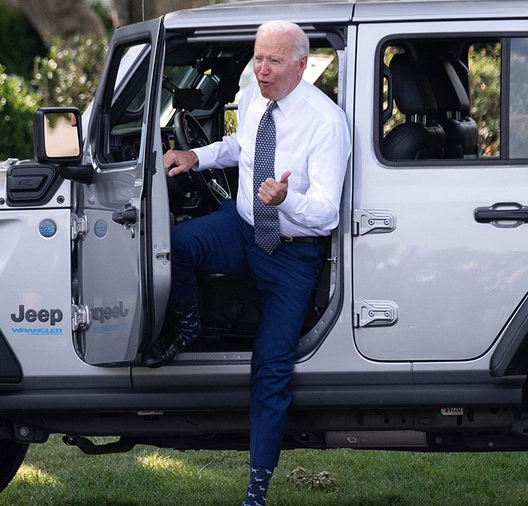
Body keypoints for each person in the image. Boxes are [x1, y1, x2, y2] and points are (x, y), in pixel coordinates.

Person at [144, 20, 350, 506]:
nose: (262, 69)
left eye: (274, 61)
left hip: (292, 253)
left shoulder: (326, 122)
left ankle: (256, 490)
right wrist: (197, 155)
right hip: (242, 228)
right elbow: (242, 147)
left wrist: (283, 200)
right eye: (258, 58)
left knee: (271, 366)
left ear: (302, 65)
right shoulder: (257, 96)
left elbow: (325, 213)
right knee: (171, 245)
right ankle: (189, 325)